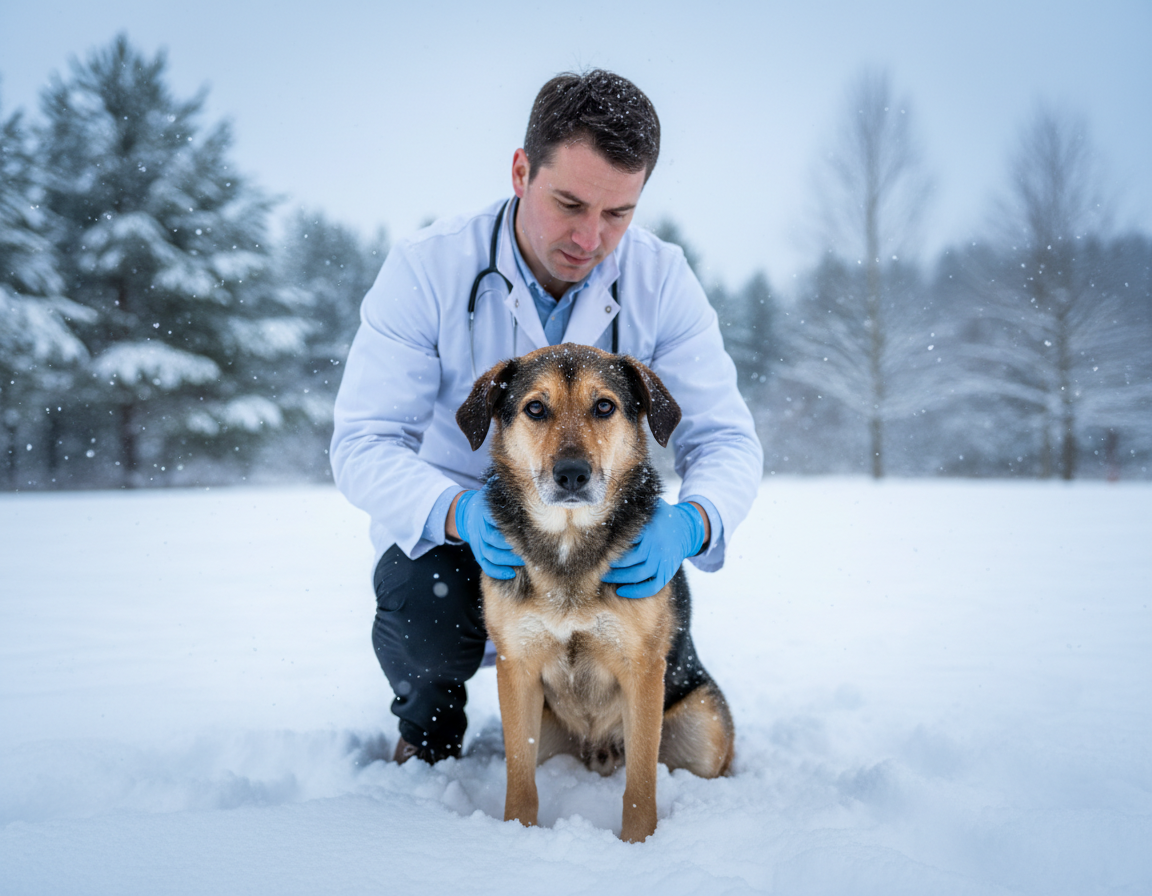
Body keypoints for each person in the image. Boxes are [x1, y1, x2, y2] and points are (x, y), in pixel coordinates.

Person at [331, 70, 763, 763]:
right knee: (424, 607)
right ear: (520, 170)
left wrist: (695, 521)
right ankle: (430, 735)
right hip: (463, 532)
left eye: (618, 213)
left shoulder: (662, 279)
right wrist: (460, 514)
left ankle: (609, 713)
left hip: (598, 526)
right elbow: (362, 442)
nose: (590, 237)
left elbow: (725, 437)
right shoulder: (427, 268)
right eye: (569, 203)